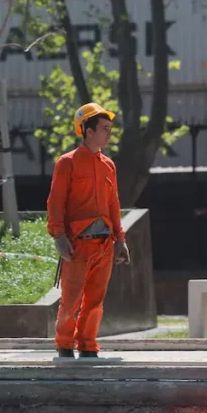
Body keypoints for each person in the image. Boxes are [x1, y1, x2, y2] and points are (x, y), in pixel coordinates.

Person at [46, 103, 131, 359]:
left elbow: (114, 203)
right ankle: (64, 345)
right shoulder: (67, 163)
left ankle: (87, 345)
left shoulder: (108, 165)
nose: (109, 134)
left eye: (110, 129)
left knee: (94, 301)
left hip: (104, 245)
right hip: (78, 243)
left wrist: (120, 239)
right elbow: (55, 201)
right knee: (71, 300)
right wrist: (59, 236)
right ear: (88, 131)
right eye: (104, 129)